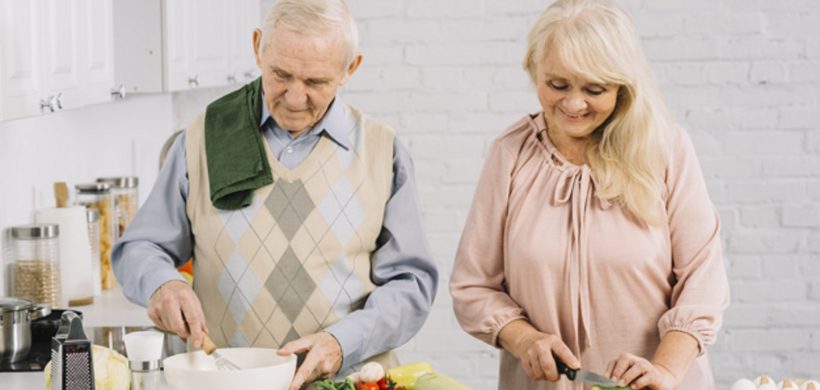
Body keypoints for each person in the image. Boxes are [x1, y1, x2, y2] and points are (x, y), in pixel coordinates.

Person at [112, 0, 438, 388]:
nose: (295, 98)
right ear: (258, 47)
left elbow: (411, 283)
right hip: (226, 383)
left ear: (350, 68)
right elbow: (140, 247)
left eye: (316, 82)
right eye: (281, 74)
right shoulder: (201, 140)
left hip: (348, 383)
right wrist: (163, 284)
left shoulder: (384, 151)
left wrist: (342, 342)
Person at [449, 0, 730, 389]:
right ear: (534, 70)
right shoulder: (510, 154)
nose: (573, 104)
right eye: (557, 85)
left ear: (622, 86)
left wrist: (665, 370)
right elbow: (473, 286)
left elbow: (703, 283)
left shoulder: (666, 149)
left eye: (594, 89)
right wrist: (524, 339)